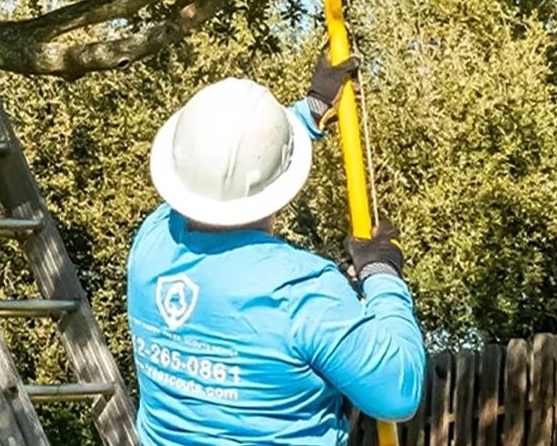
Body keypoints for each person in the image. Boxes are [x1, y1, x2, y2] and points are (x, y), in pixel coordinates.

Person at [126, 56, 426, 445]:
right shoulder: (301, 290)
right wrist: (383, 278)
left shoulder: (152, 242)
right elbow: (398, 394)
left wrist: (309, 113)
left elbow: (220, 172)